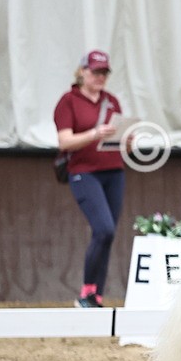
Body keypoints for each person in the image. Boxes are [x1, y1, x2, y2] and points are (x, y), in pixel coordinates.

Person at [53, 50, 125, 308]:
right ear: (82, 71)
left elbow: (114, 137)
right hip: (83, 172)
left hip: (114, 171)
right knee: (103, 228)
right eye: (95, 72)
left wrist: (126, 138)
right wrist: (95, 133)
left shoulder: (112, 101)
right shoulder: (68, 101)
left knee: (107, 234)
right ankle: (86, 291)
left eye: (104, 72)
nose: (100, 77)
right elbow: (65, 141)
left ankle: (96, 295)